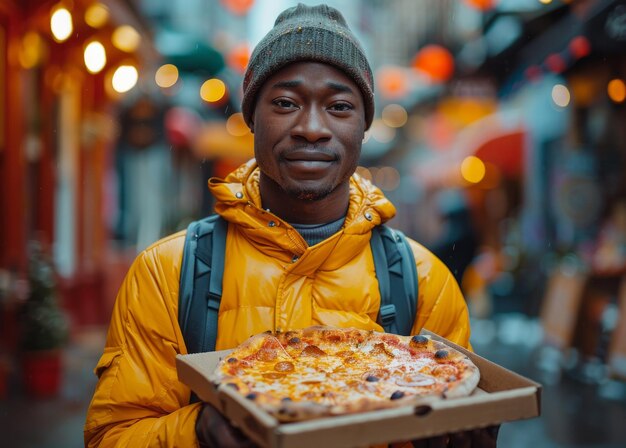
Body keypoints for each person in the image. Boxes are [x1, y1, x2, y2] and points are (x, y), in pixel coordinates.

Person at [85, 4, 497, 447]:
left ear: (363, 127)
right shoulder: (166, 274)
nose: (313, 128)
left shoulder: (424, 281)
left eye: (339, 106)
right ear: (251, 117)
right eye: (285, 103)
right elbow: (113, 435)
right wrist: (197, 431)